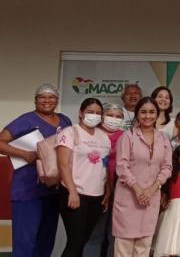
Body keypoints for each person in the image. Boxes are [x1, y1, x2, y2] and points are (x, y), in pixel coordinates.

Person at [0, 83, 72, 257]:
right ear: (35, 100)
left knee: (46, 238)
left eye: (51, 97)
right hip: (27, 190)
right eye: (42, 97)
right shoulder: (26, 120)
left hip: (53, 189)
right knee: (25, 240)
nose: (47, 100)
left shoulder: (65, 120)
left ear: (57, 100)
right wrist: (24, 154)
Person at [112, 97, 173, 256]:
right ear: (137, 115)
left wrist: (152, 189)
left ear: (157, 114)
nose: (148, 116)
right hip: (129, 196)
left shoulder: (164, 139)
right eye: (143, 112)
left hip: (151, 198)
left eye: (152, 112)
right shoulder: (128, 136)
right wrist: (138, 190)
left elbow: (167, 167)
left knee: (144, 247)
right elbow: (121, 166)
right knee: (124, 248)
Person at [56, 98, 111, 257]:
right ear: (81, 113)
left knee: (84, 239)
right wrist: (72, 191)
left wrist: (107, 192)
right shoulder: (70, 132)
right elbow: (63, 164)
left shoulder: (103, 137)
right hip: (74, 193)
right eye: (90, 112)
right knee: (75, 240)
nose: (95, 115)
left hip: (97, 195)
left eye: (98, 113)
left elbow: (105, 166)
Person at [84, 102, 125, 257]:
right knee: (95, 232)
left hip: (121, 189)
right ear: (102, 116)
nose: (113, 119)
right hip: (96, 189)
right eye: (110, 115)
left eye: (118, 116)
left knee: (115, 234)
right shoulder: (91, 134)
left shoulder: (126, 136)